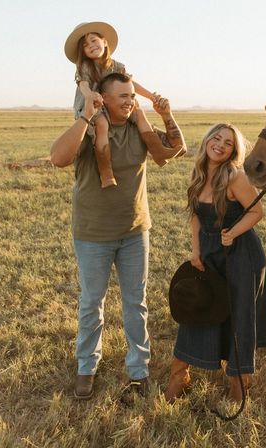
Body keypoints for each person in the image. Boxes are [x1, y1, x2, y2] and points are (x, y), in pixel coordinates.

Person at [50, 72, 186, 401]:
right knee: (91, 304)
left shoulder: (140, 129)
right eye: (122, 96)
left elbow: (174, 150)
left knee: (134, 304)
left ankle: (138, 372)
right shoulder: (91, 129)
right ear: (104, 99)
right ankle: (86, 368)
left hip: (134, 232)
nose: (130, 100)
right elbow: (57, 158)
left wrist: (166, 115)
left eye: (131, 95)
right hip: (93, 234)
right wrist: (86, 115)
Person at [165, 123, 266, 404]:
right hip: (211, 253)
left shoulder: (235, 177)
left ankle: (238, 385)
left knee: (238, 315)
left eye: (228, 143)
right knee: (198, 307)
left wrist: (233, 233)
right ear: (207, 141)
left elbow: (256, 211)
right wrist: (195, 251)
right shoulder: (199, 173)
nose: (220, 144)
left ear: (233, 151)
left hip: (241, 254)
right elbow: (195, 216)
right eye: (216, 138)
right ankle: (179, 376)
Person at [64, 21, 182, 188]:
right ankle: (106, 172)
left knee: (139, 112)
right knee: (102, 124)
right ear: (82, 52)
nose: (90, 46)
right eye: (85, 45)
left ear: (104, 42)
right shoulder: (85, 67)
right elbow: (83, 85)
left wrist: (150, 96)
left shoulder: (117, 66)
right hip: (92, 105)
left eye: (93, 40)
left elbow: (131, 83)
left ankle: (158, 151)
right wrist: (91, 95)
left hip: (113, 103)